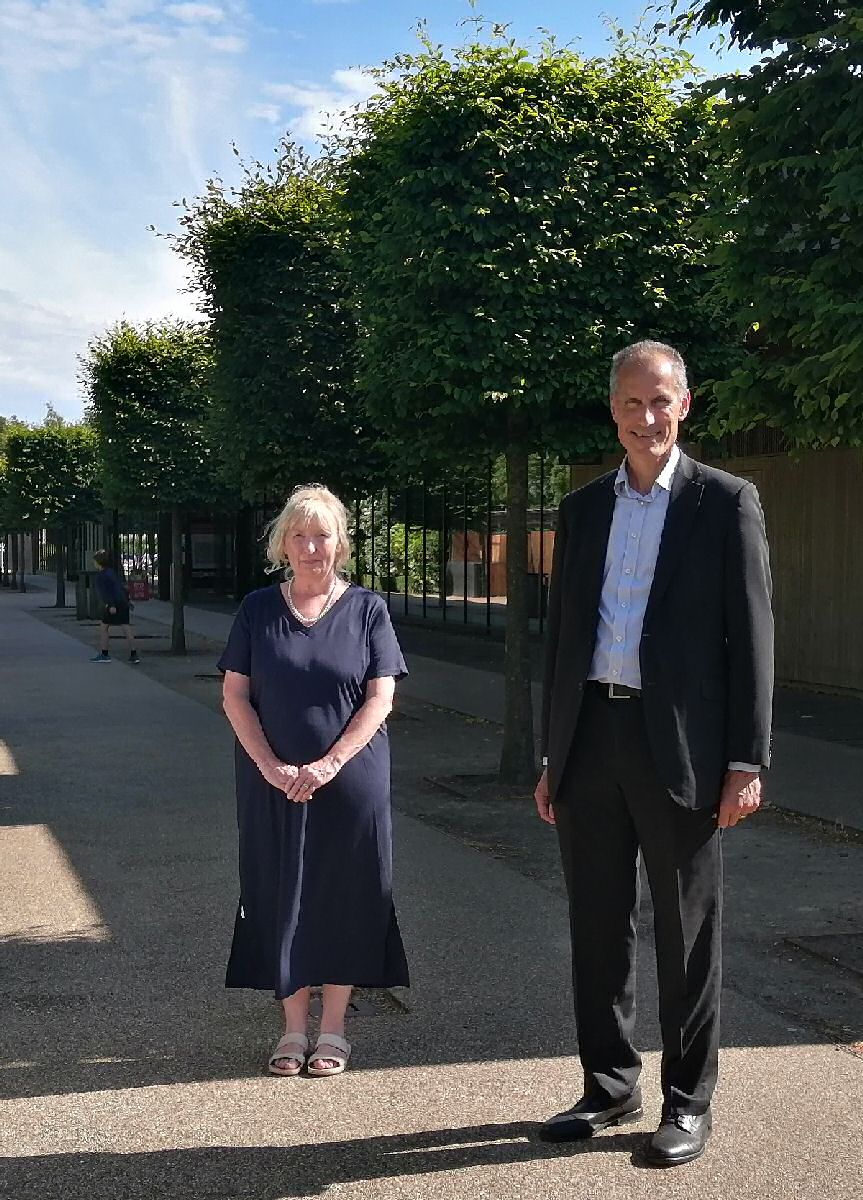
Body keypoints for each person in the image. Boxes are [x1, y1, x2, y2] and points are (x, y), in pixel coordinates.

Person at [535, 341, 773, 1167]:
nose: (646, 418)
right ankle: (608, 1085)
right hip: (590, 739)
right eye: (632, 404)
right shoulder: (581, 509)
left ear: (685, 404)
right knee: (596, 926)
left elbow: (750, 640)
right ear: (613, 410)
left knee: (687, 931)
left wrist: (745, 760)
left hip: (682, 753)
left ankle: (685, 1100)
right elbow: (564, 639)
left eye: (660, 402)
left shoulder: (725, 503)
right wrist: (550, 753)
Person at [218, 484, 410, 1077]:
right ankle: (292, 1029)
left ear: (340, 543)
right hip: (269, 779)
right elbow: (234, 695)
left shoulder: (368, 609)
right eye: (298, 535)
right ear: (283, 543)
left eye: (321, 535)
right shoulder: (255, 609)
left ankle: (334, 1029)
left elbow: (382, 695)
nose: (310, 547)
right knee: (279, 889)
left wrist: (331, 762)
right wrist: (271, 767)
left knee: (345, 893)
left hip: (350, 779)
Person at [90, 550, 138, 664]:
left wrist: (110, 604)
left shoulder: (101, 576)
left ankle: (104, 653)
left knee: (104, 627)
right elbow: (119, 588)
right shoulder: (111, 572)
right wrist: (127, 602)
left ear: (98, 562)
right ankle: (134, 653)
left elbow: (105, 593)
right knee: (126, 627)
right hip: (122, 602)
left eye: (95, 562)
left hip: (113, 604)